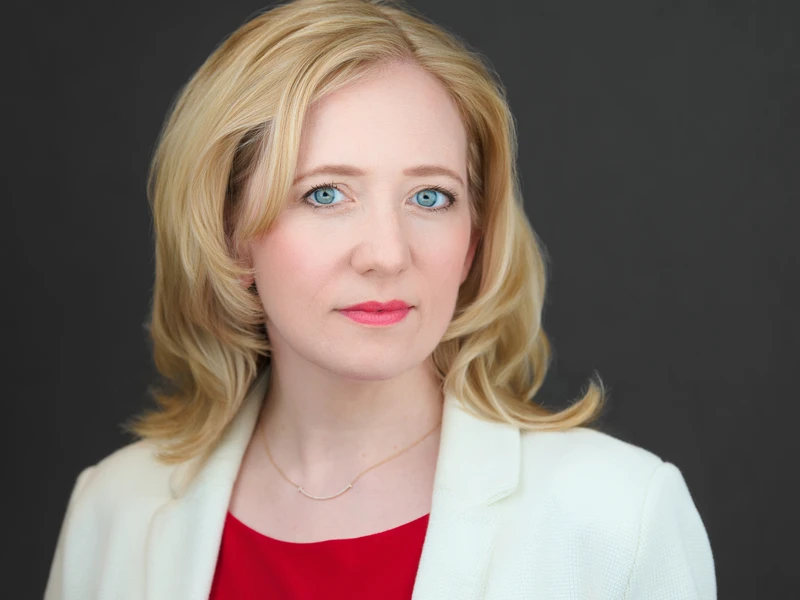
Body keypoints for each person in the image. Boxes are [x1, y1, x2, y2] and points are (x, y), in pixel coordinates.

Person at [44, 0, 716, 598]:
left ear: (474, 238)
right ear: (228, 235)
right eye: (326, 194)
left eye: (431, 197)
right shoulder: (113, 512)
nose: (388, 254)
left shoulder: (620, 519)